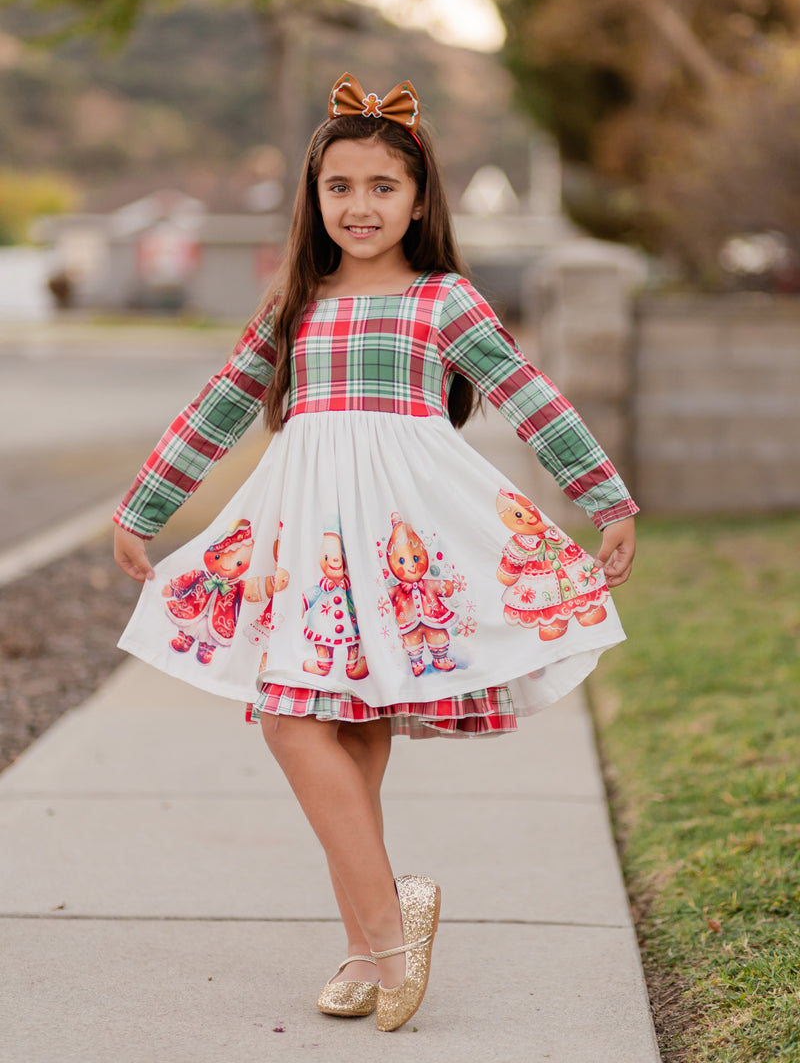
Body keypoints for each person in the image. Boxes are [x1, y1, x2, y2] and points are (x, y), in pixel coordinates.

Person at [113, 73, 637, 1032]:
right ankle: (388, 929)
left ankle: (368, 945)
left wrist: (604, 500)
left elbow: (531, 397)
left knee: (353, 733)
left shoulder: (445, 300)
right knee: (293, 719)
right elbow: (224, 403)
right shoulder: (296, 301)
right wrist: (146, 507)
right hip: (305, 536)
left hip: (403, 536)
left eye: (383, 187)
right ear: (314, 200)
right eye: (340, 187)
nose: (360, 206)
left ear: (419, 198)